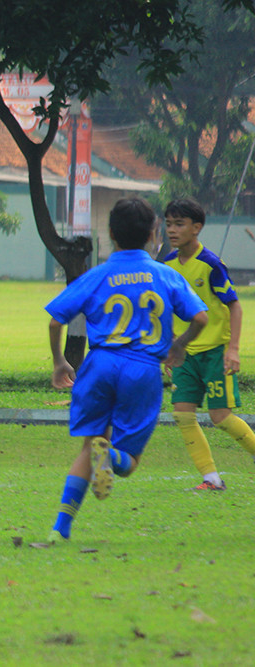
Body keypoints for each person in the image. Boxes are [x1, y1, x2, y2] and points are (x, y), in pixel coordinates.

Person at [45, 198, 207, 543]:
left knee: (89, 445)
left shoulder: (98, 274)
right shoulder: (166, 274)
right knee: (128, 460)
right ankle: (113, 456)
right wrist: (178, 345)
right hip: (143, 369)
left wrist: (60, 361)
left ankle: (61, 527)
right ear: (153, 234)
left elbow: (56, 319)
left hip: (100, 364)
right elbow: (201, 318)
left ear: (111, 233)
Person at [162, 197, 255, 490]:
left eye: (179, 224)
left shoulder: (211, 264)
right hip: (185, 355)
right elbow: (165, 310)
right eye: (168, 224)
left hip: (215, 353)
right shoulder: (166, 265)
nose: (172, 230)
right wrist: (169, 347)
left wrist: (233, 349)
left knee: (221, 417)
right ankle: (211, 479)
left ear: (197, 227)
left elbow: (235, 306)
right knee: (182, 414)